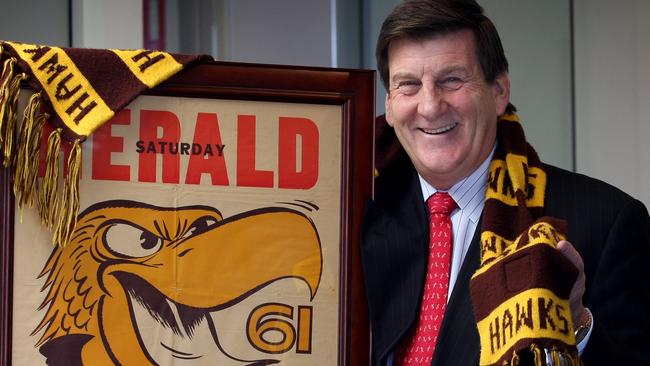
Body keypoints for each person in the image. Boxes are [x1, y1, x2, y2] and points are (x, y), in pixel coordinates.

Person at [360, 1, 650, 365]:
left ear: (499, 91)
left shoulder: (608, 221)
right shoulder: (357, 214)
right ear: (389, 104)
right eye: (409, 85)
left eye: (451, 80)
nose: (430, 106)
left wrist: (576, 325)